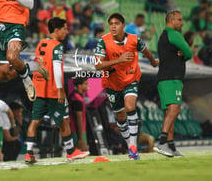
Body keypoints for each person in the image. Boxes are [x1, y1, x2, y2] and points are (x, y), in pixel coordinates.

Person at [94, 12, 158, 160]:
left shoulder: (134, 39)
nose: (113, 27)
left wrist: (153, 62)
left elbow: (146, 51)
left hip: (130, 78)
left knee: (130, 107)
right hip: (111, 83)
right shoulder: (103, 41)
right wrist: (119, 60)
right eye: (111, 24)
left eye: (116, 24)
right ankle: (130, 144)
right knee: (120, 116)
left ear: (123, 26)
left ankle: (133, 147)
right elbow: (98, 65)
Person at [25, 17, 90, 163]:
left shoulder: (40, 43)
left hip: (39, 88)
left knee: (35, 121)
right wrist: (60, 89)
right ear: (56, 30)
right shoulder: (57, 46)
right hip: (53, 90)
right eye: (64, 29)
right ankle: (71, 152)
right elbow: (56, 69)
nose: (66, 32)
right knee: (64, 120)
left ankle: (29, 153)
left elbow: (38, 65)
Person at [154, 10, 192, 157]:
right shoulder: (174, 34)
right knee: (175, 110)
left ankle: (171, 146)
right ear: (172, 20)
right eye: (180, 20)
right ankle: (162, 142)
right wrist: (184, 53)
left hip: (163, 78)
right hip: (172, 79)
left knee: (170, 112)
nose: (182, 23)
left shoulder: (164, 35)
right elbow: (189, 52)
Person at [67, 77, 89, 152]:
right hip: (76, 131)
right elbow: (78, 118)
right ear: (79, 85)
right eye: (85, 84)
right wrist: (81, 138)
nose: (87, 85)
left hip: (80, 130)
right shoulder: (76, 98)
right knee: (81, 152)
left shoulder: (78, 96)